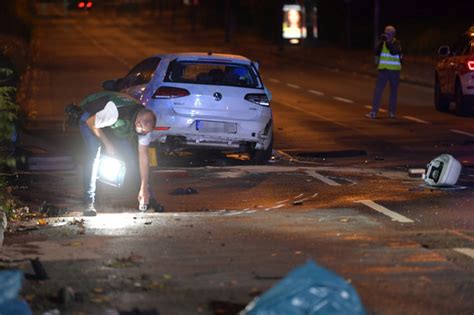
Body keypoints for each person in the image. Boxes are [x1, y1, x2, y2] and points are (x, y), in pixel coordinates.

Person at [78, 91, 156, 216]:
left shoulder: (145, 123)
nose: (143, 135)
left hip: (114, 124)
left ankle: (147, 197)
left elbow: (144, 157)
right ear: (137, 123)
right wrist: (108, 145)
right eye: (141, 132)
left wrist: (144, 187)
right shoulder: (115, 112)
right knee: (94, 156)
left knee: (131, 158)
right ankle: (89, 202)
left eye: (145, 133)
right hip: (90, 119)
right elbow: (91, 123)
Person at [366, 25, 402, 119]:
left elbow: (394, 51)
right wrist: (381, 41)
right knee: (378, 91)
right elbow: (376, 52)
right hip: (383, 71)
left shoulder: (397, 43)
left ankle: (392, 112)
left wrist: (388, 42)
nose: (386, 35)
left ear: (393, 34)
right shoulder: (383, 42)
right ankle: (373, 112)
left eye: (389, 33)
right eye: (385, 33)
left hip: (394, 71)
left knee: (393, 92)